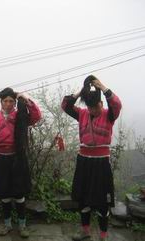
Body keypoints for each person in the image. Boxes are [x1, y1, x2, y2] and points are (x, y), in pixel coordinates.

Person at [61, 75, 122, 241]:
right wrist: (80, 92)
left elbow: (117, 104)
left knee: (102, 202)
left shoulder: (109, 115)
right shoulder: (82, 114)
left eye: (95, 107)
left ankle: (103, 235)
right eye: (90, 107)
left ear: (101, 104)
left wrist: (102, 87)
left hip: (101, 164)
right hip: (84, 162)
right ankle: (85, 231)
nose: (93, 110)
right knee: (83, 199)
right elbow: (65, 106)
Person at [0, 87, 41, 238]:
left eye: (11, 101)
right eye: (5, 101)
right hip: (1, 159)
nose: (8, 104)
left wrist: (26, 99)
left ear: (14, 103)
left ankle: (22, 226)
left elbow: (36, 116)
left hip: (17, 159)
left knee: (19, 194)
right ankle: (7, 225)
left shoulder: (20, 116)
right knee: (4, 194)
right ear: (1, 102)